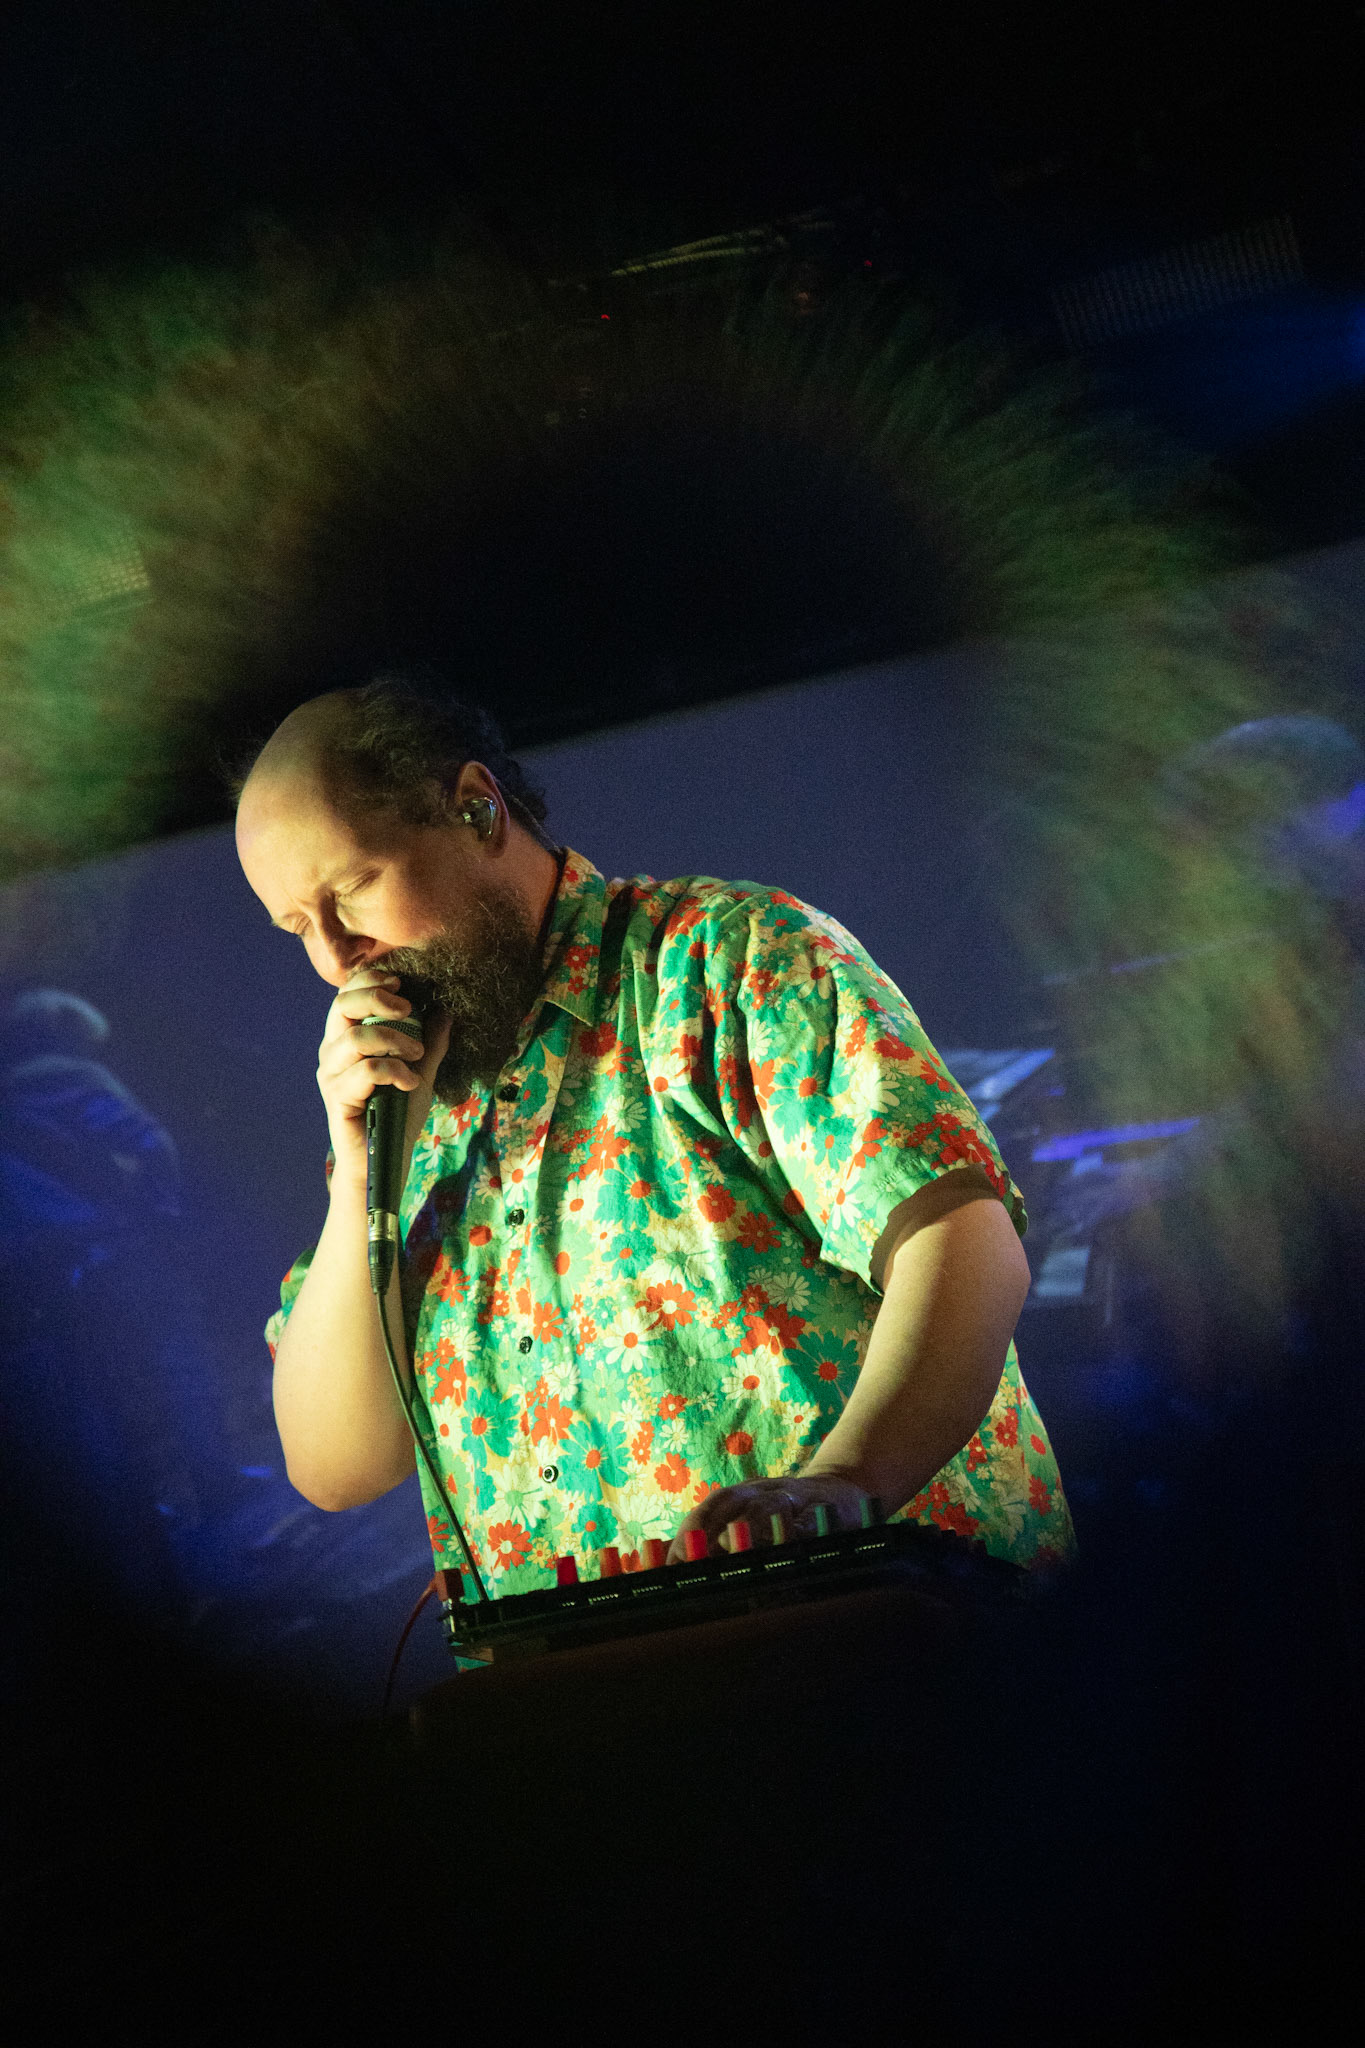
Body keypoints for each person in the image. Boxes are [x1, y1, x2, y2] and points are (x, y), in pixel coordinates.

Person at [234, 677, 1073, 1591]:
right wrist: (361, 1176)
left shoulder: (725, 955)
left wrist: (844, 1483)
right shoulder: (403, 1105)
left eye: (354, 887)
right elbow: (338, 1468)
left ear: (477, 809)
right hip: (600, 1673)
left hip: (883, 1622)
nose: (334, 956)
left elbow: (965, 1243)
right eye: (296, 927)